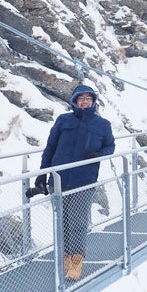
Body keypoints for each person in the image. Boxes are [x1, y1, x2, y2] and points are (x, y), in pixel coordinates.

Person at [35, 84, 116, 280]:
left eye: (89, 98)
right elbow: (50, 148)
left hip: (84, 180)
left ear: (93, 102)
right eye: (81, 98)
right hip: (59, 179)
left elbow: (110, 146)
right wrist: (42, 174)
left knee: (78, 223)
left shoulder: (102, 124)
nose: (85, 101)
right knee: (62, 222)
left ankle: (77, 260)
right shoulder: (63, 120)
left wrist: (99, 154)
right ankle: (65, 257)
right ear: (75, 101)